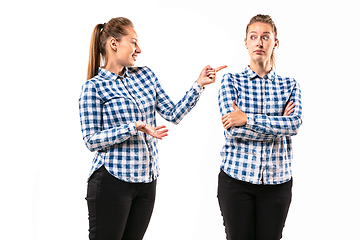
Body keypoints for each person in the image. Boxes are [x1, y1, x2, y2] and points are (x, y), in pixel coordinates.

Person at [79, 17, 226, 240]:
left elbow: (173, 114)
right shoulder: (93, 87)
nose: (139, 49)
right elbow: (91, 140)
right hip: (111, 181)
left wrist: (199, 85)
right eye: (134, 42)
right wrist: (133, 127)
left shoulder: (145, 75)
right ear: (113, 43)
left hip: (146, 183)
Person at [217, 14, 303, 240]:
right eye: (253, 37)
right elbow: (233, 129)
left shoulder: (289, 85)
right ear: (245, 42)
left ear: (275, 42)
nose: (259, 42)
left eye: (265, 37)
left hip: (277, 182)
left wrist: (248, 119)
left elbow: (294, 124)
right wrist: (278, 125)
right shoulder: (230, 81)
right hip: (236, 180)